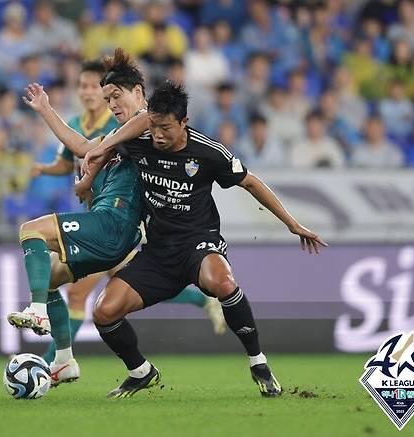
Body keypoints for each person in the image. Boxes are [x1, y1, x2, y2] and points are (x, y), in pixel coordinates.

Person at [77, 78, 326, 398]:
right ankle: (140, 371)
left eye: (166, 127)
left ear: (184, 122)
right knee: (103, 312)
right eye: (153, 127)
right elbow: (95, 148)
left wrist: (292, 224)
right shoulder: (139, 140)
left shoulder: (208, 153)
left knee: (221, 282)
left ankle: (258, 362)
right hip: (157, 252)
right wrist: (86, 181)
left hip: (198, 242)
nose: (159, 135)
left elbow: (251, 183)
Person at [28, 60, 226, 365]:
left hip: (116, 225)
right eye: (108, 99)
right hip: (113, 225)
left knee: (32, 232)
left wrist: (93, 163)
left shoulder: (150, 126)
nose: (111, 104)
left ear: (137, 92)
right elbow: (81, 146)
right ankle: (63, 360)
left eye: (116, 96)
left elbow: (142, 120)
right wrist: (45, 110)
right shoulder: (121, 135)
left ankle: (39, 314)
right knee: (51, 277)